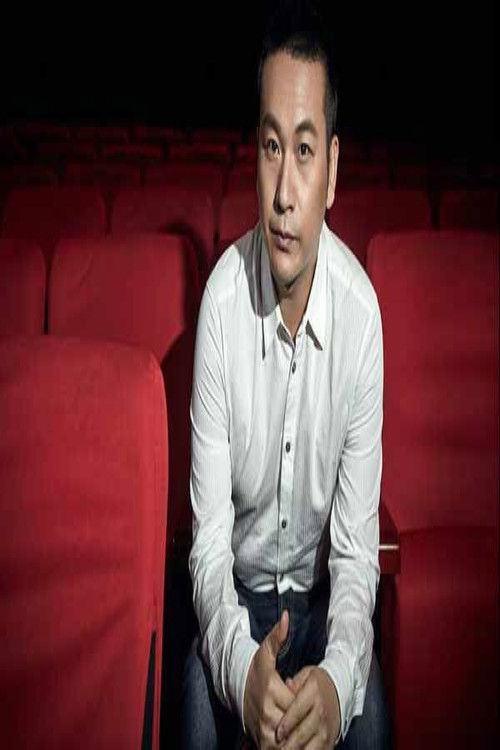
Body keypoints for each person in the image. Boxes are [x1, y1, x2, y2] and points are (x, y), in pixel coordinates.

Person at [182, 2, 389, 747]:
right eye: (272, 147)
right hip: (235, 602)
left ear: (332, 171)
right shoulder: (220, 305)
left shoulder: (361, 319)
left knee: (368, 726)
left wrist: (336, 678)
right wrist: (241, 666)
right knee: (195, 718)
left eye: (304, 151)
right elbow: (207, 545)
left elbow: (356, 557)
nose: (283, 194)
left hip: (322, 603)